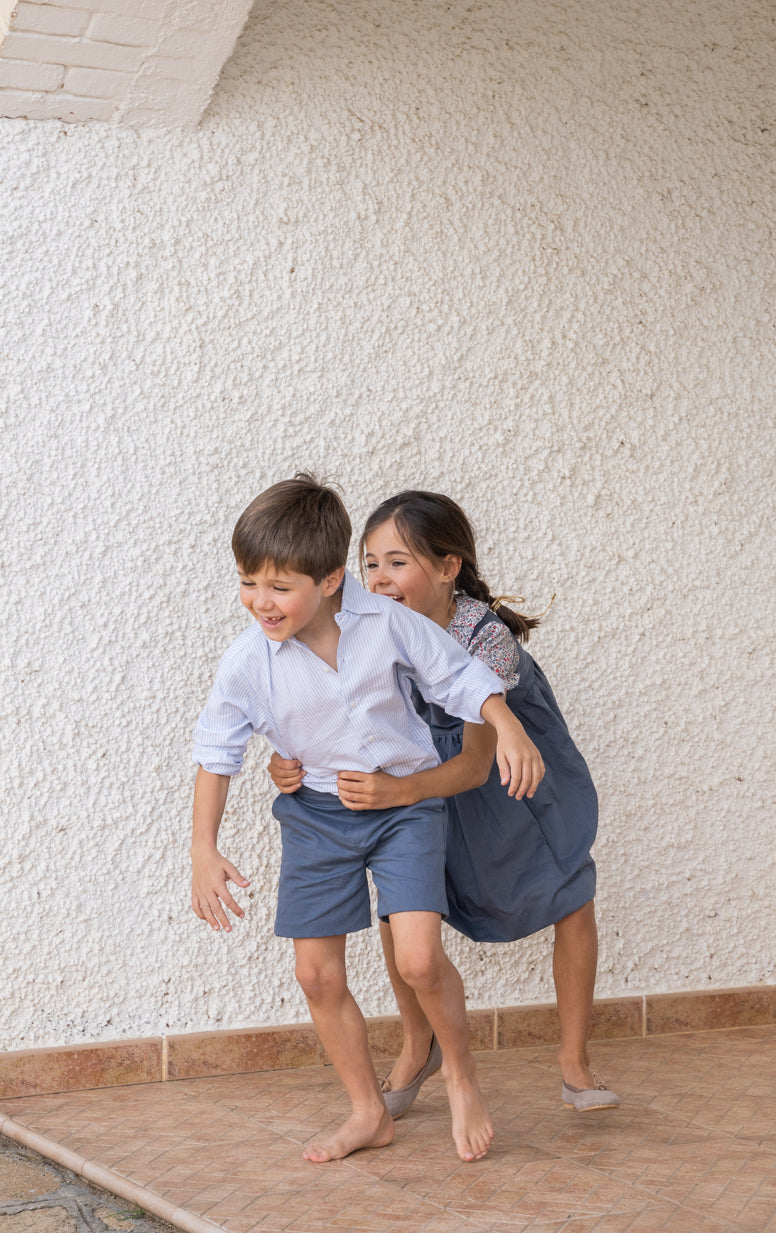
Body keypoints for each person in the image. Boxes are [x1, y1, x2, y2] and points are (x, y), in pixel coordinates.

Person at [190, 475, 545, 1166]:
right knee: (317, 975)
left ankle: (461, 1076)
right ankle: (367, 1111)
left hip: (400, 809)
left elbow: (460, 677)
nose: (260, 601)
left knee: (416, 958)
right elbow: (217, 750)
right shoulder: (247, 660)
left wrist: (506, 727)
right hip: (315, 816)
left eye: (278, 585)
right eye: (247, 581)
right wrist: (204, 848)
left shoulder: (387, 623)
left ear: (329, 578)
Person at [269, 490, 619, 1116]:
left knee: (569, 890)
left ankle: (575, 1064)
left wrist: (398, 791)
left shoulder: (485, 643)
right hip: (422, 786)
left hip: (505, 786)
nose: (378, 579)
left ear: (449, 567)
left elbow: (477, 762)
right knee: (400, 907)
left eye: (398, 562)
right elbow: (327, 707)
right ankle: (418, 1043)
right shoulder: (362, 627)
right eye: (370, 563)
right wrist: (289, 760)